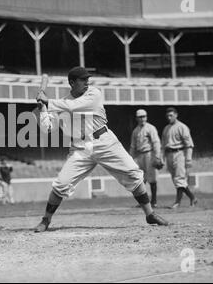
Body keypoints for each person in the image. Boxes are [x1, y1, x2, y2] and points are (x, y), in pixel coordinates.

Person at [34, 66, 169, 232]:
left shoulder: (93, 94)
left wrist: (48, 101)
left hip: (104, 141)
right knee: (61, 184)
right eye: (82, 80)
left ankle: (150, 214)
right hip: (79, 148)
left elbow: (74, 106)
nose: (86, 82)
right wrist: (43, 108)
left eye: (87, 79)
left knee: (133, 174)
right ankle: (45, 220)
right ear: (72, 82)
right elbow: (47, 128)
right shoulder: (63, 103)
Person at [161, 107, 198, 209]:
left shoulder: (182, 127)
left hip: (179, 153)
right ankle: (193, 198)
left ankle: (178, 202)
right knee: (175, 179)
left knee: (179, 178)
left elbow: (189, 144)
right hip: (169, 154)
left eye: (171, 115)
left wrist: (188, 158)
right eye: (167, 116)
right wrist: (162, 158)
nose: (169, 117)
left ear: (176, 115)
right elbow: (163, 145)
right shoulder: (166, 128)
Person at [129, 109, 162, 208]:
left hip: (149, 154)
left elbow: (156, 142)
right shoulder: (136, 130)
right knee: (140, 179)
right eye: (140, 117)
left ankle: (154, 201)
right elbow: (133, 146)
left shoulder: (151, 128)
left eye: (144, 116)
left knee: (152, 178)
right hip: (139, 155)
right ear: (137, 118)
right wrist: (130, 159)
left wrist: (157, 156)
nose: (142, 118)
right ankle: (144, 202)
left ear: (146, 117)